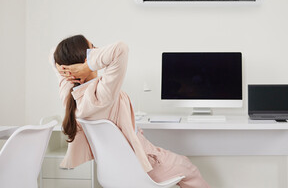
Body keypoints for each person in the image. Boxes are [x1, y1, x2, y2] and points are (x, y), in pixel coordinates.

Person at [51, 35, 210, 188]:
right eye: (93, 49)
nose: (98, 50)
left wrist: (68, 69)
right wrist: (87, 66)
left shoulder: (70, 97)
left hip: (117, 171)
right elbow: (121, 48)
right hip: (145, 166)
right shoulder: (103, 94)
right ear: (86, 60)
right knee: (189, 168)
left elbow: (53, 54)